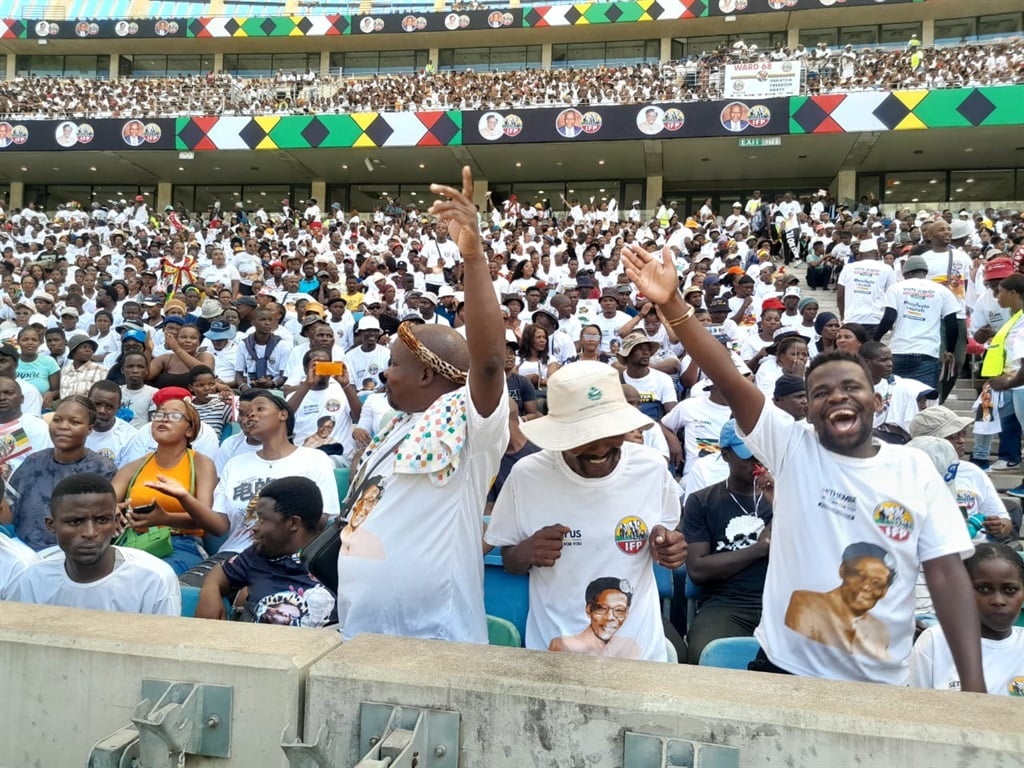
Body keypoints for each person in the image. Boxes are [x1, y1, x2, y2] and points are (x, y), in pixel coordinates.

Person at [619, 241, 984, 689]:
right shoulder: (793, 447)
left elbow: (947, 576)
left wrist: (975, 689)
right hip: (783, 673)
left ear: (876, 398)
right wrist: (674, 304)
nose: (838, 396)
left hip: (882, 686)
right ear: (807, 409)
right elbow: (728, 376)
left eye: (852, 386)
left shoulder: (915, 468)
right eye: (821, 392)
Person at [335, 167, 509, 644]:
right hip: (360, 633)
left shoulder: (471, 427)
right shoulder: (394, 425)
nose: (384, 373)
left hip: (437, 640)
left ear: (428, 374)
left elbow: (490, 363)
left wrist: (472, 257)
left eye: (394, 364)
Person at [485, 362, 685, 661]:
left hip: (642, 660)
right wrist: (528, 551)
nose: (600, 446)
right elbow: (512, 560)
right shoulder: (527, 476)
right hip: (555, 657)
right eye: (583, 436)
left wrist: (668, 546)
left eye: (611, 432)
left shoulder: (651, 468)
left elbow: (667, 532)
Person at [5, 473, 179, 616]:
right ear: (51, 525)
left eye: (102, 520)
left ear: (116, 521)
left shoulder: (153, 579)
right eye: (75, 522)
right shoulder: (32, 578)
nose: (90, 533)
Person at [683, 420, 773, 663]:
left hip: (780, 600)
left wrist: (780, 500)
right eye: (748, 454)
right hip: (727, 604)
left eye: (761, 451)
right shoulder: (701, 501)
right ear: (725, 455)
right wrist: (759, 549)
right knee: (703, 653)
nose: (757, 460)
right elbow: (698, 570)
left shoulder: (786, 496)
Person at [196, 476, 335, 627]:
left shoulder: (333, 559)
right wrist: (210, 590)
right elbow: (221, 572)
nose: (254, 527)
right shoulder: (259, 554)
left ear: (293, 523)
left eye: (262, 520)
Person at [113, 394, 218, 575]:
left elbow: (206, 517)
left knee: (150, 577)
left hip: (181, 543)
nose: (164, 419)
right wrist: (111, 509)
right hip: (134, 542)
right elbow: (106, 501)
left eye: (175, 415)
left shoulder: (201, 464)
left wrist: (165, 518)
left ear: (190, 431)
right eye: (159, 414)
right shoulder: (134, 466)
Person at [3, 397, 117, 551]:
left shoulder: (102, 469)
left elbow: (103, 526)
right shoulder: (33, 462)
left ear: (89, 429)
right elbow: (8, 514)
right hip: (22, 550)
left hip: (73, 557)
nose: (63, 427)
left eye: (74, 422)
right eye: (57, 420)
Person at [910, 543, 1024, 696]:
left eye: (1009, 590)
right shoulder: (934, 642)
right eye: (983, 588)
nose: (998, 600)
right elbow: (915, 706)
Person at [873, 255, 960, 393]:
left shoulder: (896, 288)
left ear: (905, 273)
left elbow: (889, 318)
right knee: (922, 399)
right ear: (925, 272)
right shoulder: (942, 291)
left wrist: (875, 339)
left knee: (894, 398)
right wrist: (950, 350)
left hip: (898, 351)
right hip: (927, 353)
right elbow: (952, 324)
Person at [85, 380, 148, 469]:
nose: (102, 410)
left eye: (109, 407)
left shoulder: (130, 436)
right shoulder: (73, 426)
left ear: (118, 407)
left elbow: (124, 476)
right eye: (97, 404)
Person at [0, 374, 52, 480]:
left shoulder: (35, 426)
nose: (2, 398)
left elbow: (42, 467)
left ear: (22, 399)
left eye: (8, 393)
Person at [17, 326, 59, 409]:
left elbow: (57, 391)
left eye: (34, 340)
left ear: (39, 343)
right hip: (13, 409)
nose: (30, 342)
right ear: (18, 342)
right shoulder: (11, 361)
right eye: (25, 339)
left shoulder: (49, 362)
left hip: (41, 408)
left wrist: (51, 394)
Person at [59, 334, 107, 399]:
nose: (88, 350)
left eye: (91, 348)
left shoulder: (100, 370)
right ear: (73, 351)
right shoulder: (64, 371)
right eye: (84, 347)